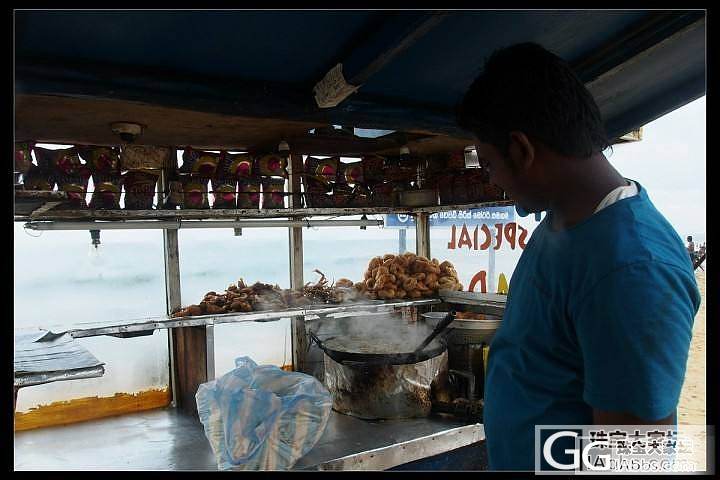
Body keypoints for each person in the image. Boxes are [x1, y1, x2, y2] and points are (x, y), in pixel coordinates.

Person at [456, 43, 701, 471]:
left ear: (521, 150)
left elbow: (631, 457)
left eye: (489, 164)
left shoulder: (632, 268)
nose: (492, 180)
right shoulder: (562, 223)